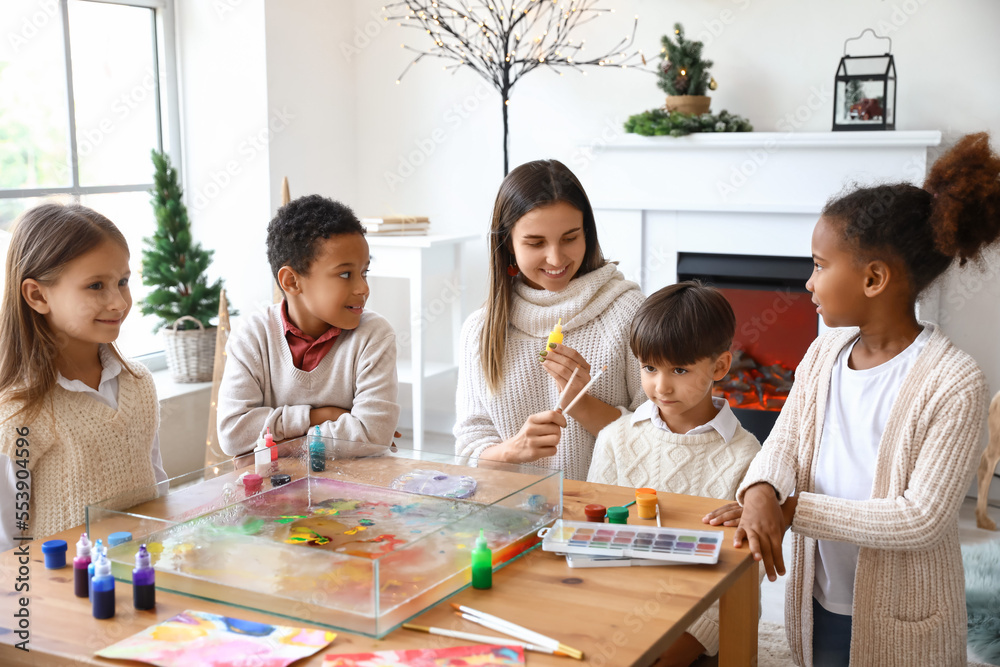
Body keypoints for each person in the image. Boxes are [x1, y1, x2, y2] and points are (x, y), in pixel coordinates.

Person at [735, 132, 1000, 667]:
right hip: (819, 594)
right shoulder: (823, 351)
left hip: (902, 614)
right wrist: (761, 487)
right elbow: (783, 440)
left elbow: (920, 517)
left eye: (819, 265)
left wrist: (792, 512)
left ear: (874, 278)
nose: (808, 282)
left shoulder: (954, 380)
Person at [588, 281, 761, 666]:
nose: (660, 386)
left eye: (679, 370)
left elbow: (747, 572)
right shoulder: (617, 438)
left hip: (699, 625)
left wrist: (690, 641)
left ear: (719, 367)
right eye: (649, 368)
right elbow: (597, 540)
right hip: (619, 606)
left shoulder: (746, 454)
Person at [455, 159, 645, 480]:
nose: (556, 259)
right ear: (508, 246)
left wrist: (583, 406)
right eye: (535, 243)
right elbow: (468, 450)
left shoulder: (628, 312)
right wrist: (511, 451)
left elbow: (662, 439)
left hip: (605, 514)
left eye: (570, 238)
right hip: (513, 513)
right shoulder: (481, 330)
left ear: (587, 234)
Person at [0, 204, 167, 552]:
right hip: (63, 594)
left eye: (123, 281)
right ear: (37, 295)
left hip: (145, 576)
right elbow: (6, 542)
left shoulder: (139, 385)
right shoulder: (17, 413)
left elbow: (157, 489)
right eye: (95, 286)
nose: (118, 302)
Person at [217, 195, 399, 456]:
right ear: (291, 281)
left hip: (363, 489)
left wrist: (272, 447)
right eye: (345, 274)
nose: (363, 288)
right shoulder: (252, 336)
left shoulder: (374, 335)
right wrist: (321, 416)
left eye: (364, 272)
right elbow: (233, 434)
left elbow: (372, 435)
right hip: (282, 492)